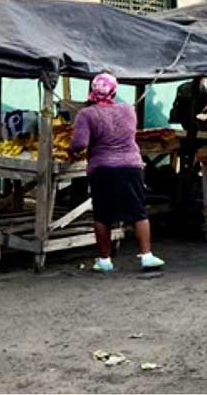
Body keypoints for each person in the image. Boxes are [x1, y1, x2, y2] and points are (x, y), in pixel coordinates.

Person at [69, 73, 164, 273]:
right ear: (114, 90)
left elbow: (80, 144)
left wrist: (71, 151)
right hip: (131, 166)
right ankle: (147, 256)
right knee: (138, 211)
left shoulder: (86, 114)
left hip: (103, 168)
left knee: (103, 214)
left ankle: (105, 260)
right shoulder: (128, 110)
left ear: (92, 90)